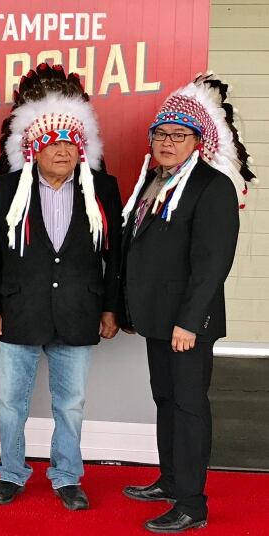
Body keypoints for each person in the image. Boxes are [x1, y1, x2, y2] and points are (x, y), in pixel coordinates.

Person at [0, 63, 122, 511]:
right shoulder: (5, 190)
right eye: (53, 144)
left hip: (79, 312)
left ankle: (66, 476)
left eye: (70, 144)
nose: (62, 151)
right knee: (10, 404)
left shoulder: (103, 189)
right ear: (34, 149)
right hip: (19, 312)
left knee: (70, 405)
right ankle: (12, 474)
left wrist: (110, 308)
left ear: (82, 151)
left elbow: (114, 256)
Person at [120, 74, 254, 533]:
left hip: (186, 325)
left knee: (190, 407)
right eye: (160, 135)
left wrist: (189, 322)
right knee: (166, 400)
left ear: (197, 141)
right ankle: (172, 481)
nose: (167, 142)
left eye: (178, 135)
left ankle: (193, 505)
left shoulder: (211, 187)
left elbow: (213, 263)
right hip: (157, 320)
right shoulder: (154, 182)